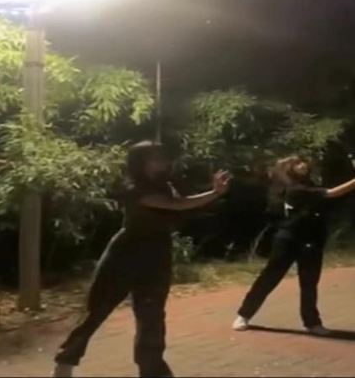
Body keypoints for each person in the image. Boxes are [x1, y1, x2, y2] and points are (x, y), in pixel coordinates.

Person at [53, 141, 230, 378]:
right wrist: (215, 193)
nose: (163, 161)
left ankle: (153, 371)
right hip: (125, 254)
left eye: (163, 156)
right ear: (141, 163)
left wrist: (211, 193)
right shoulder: (134, 189)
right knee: (97, 310)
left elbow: (180, 205)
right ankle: (66, 361)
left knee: (152, 318)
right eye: (156, 157)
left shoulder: (165, 186)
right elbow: (177, 206)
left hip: (157, 255)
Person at [232, 155, 355, 336]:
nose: (303, 165)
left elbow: (331, 198)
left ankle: (312, 323)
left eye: (303, 162)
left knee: (309, 283)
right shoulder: (294, 189)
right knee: (269, 278)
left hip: (312, 240)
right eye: (297, 163)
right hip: (289, 239)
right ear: (289, 169)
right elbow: (332, 193)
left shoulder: (310, 185)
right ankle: (244, 315)